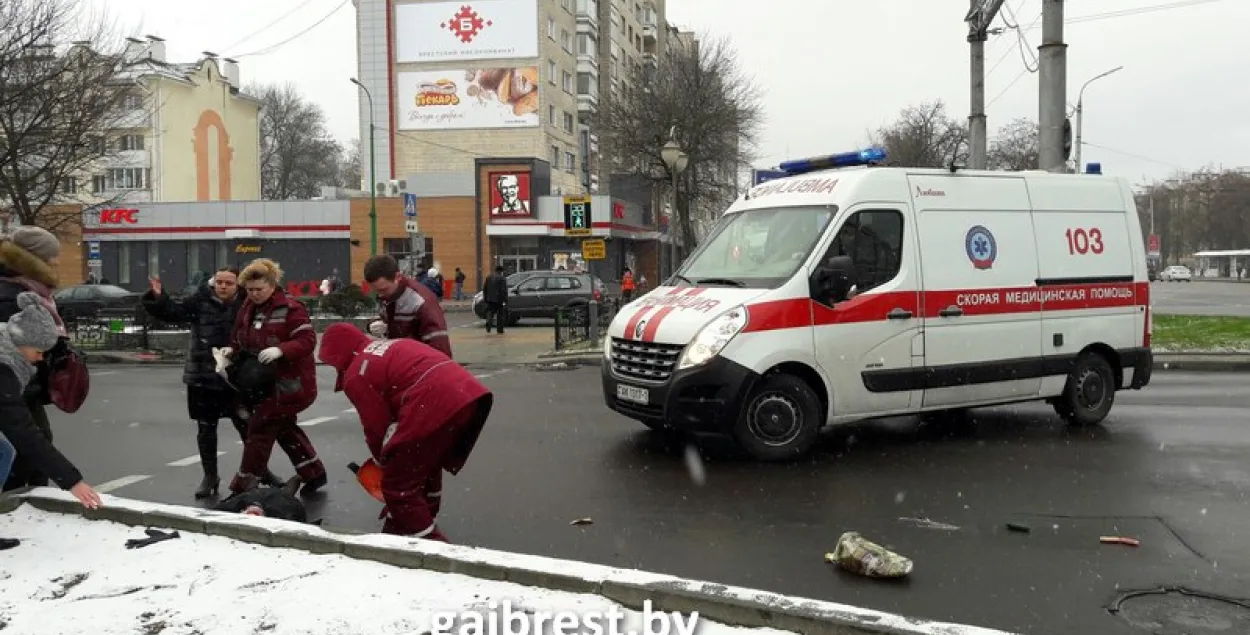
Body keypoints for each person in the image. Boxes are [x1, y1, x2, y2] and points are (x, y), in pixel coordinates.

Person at [317, 323, 493, 540]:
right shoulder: (386, 346)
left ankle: (433, 546)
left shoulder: (357, 372)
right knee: (424, 465)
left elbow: (375, 426)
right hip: (467, 396)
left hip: (432, 402)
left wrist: (382, 460)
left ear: (338, 353)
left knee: (398, 485)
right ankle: (410, 523)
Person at [142, 267, 283, 499]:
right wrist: (158, 298)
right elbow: (173, 313)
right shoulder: (200, 301)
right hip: (202, 376)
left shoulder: (248, 304)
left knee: (247, 427)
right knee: (206, 429)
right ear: (213, 283)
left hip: (237, 377)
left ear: (238, 284)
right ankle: (210, 476)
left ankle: (258, 471)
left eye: (228, 282)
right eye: (219, 282)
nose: (223, 286)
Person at [0, 293, 102, 548]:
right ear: (23, 342)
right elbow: (24, 432)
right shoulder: (3, 368)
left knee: (3, 452)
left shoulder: (7, 347)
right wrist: (72, 481)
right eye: (38, 351)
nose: (40, 358)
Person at [218, 258, 326, 496]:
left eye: (259, 289)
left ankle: (244, 484)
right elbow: (238, 336)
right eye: (250, 290)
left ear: (272, 285)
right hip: (264, 383)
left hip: (289, 384)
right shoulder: (248, 307)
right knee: (284, 428)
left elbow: (307, 341)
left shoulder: (291, 308)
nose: (254, 294)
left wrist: (282, 350)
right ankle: (314, 473)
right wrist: (231, 350)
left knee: (260, 429)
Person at [0, 226, 70, 492]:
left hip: (24, 383)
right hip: (15, 384)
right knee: (27, 448)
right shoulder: (12, 292)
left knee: (33, 446)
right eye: (52, 256)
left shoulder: (30, 288)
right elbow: (18, 342)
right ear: (34, 258)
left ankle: (28, 501)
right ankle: (20, 504)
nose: (57, 261)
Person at [363, 254, 452, 357]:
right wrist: (373, 325)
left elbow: (440, 349)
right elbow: (389, 320)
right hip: (401, 362)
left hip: (418, 365)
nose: (380, 295)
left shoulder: (421, 302)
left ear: (398, 277)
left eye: (383, 290)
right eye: (376, 291)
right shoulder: (391, 295)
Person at [482, 265, 508, 334]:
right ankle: (500, 329)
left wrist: (485, 298)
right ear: (501, 271)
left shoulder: (489, 277)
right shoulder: (502, 278)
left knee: (490, 312)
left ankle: (488, 321)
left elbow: (485, 288)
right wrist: (505, 300)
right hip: (499, 299)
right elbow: (504, 290)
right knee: (500, 314)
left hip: (490, 299)